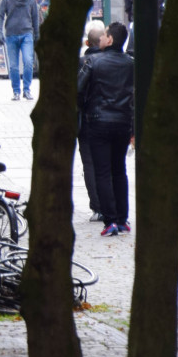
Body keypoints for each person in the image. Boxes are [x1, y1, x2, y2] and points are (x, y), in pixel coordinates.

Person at [78, 22, 135, 236]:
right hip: (122, 123)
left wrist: (86, 108)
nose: (101, 38)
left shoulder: (94, 62)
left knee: (102, 171)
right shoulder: (131, 64)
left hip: (98, 122)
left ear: (110, 39)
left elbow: (78, 89)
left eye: (104, 35)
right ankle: (122, 218)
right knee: (119, 170)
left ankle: (109, 219)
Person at [77, 22, 107, 222]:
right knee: (107, 164)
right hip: (108, 119)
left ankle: (97, 207)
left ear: (87, 43)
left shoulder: (82, 63)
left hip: (86, 121)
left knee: (89, 164)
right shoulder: (112, 61)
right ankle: (109, 205)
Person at [0, 0, 40, 101]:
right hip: (11, 35)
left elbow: (35, 17)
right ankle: (16, 91)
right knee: (14, 66)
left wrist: (37, 34)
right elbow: (0, 15)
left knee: (28, 62)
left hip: (27, 34)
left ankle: (27, 90)